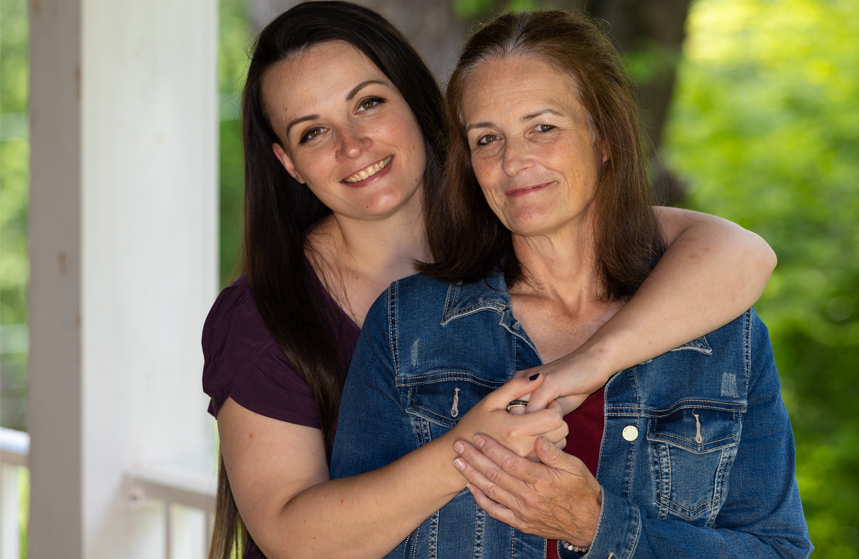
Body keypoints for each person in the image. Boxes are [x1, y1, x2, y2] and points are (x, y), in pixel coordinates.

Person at [202, 3, 778, 559]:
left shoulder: (530, 212)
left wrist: (592, 363)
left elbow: (738, 253)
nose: (352, 145)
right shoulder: (294, 315)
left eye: (368, 104)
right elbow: (293, 538)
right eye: (312, 132)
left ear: (415, 102)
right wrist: (470, 446)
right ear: (288, 163)